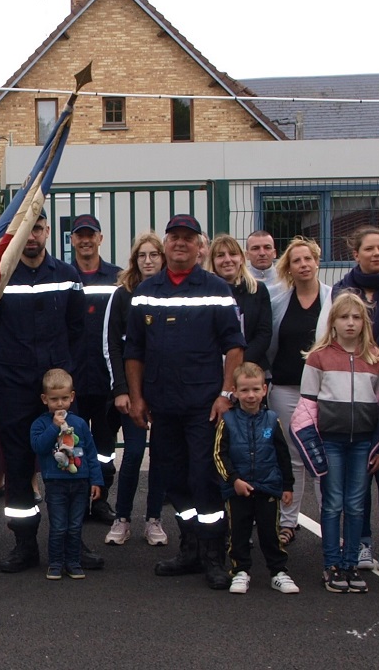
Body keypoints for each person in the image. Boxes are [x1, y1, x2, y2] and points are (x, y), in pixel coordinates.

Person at [125, 215, 244, 590]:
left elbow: (234, 346)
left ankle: (213, 555)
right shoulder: (147, 290)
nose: (180, 244)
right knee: (174, 479)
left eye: (187, 239)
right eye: (174, 238)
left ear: (199, 246)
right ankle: (189, 546)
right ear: (165, 244)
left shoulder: (215, 288)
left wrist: (226, 394)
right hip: (162, 403)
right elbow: (134, 351)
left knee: (204, 478)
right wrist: (138, 397)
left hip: (202, 404)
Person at [0, 211, 87, 574]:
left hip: (57, 388)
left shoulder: (66, 275)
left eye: (39, 229)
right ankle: (24, 544)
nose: (33, 236)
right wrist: (7, 361)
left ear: (46, 233)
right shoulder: (1, 275)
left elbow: (78, 327)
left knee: (70, 463)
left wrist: (63, 370)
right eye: (27, 230)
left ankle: (74, 541)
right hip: (14, 385)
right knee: (17, 464)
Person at [296, 291, 379, 594]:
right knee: (333, 503)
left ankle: (351, 564)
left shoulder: (376, 358)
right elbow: (307, 406)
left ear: (364, 322)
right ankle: (332, 564)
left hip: (362, 443)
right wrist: (312, 449)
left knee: (357, 504)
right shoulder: (319, 357)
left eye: (356, 317)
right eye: (344, 317)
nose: (350, 323)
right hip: (330, 441)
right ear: (332, 322)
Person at [331, 225, 379, 572]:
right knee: (359, 475)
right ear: (356, 253)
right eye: (370, 249)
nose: (377, 254)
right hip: (353, 395)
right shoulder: (341, 291)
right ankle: (361, 541)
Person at [102, 232, 169, 547]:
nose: (148, 260)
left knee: (162, 455)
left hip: (166, 389)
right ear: (134, 260)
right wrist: (121, 389)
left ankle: (153, 519)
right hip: (133, 389)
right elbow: (111, 344)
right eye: (142, 255)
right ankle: (122, 518)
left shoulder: (171, 291)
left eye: (154, 254)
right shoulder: (122, 294)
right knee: (132, 452)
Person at [264, 236, 331, 546]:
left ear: (317, 262)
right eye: (296, 260)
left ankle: (330, 521)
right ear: (288, 268)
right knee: (291, 458)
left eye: (308, 259)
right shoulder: (278, 302)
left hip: (325, 392)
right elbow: (270, 347)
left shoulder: (334, 300)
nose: (303, 264)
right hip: (286, 387)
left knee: (323, 458)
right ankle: (288, 522)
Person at [215, 362, 298, 595]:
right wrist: (233, 481)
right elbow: (219, 454)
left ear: (264, 389)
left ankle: (278, 571)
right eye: (244, 390)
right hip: (238, 489)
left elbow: (283, 454)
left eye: (255, 390)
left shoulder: (272, 419)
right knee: (239, 532)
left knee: (270, 532)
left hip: (268, 487)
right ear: (235, 391)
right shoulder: (228, 421)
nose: (250, 396)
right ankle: (240, 570)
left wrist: (287, 486)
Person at [67, 214, 121, 525]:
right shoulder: (62, 275)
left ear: (100, 238)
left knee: (103, 448)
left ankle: (100, 501)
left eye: (91, 234)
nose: (85, 240)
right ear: (72, 240)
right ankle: (75, 503)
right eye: (79, 235)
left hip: (105, 378)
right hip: (70, 379)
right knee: (71, 445)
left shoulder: (117, 278)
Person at [30, 369, 103, 580]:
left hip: (80, 483)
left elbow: (90, 452)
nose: (60, 404)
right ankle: (55, 563)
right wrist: (54, 428)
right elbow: (38, 446)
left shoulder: (79, 423)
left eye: (64, 398)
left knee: (74, 526)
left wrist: (96, 480)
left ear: (72, 397)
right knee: (59, 526)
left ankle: (73, 562)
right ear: (45, 400)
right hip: (55, 483)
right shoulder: (41, 424)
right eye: (54, 399)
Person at [208, 234, 273, 375]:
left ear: (242, 258)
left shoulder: (258, 290)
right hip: (215, 371)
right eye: (220, 255)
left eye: (232, 254)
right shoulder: (205, 294)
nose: (227, 260)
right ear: (212, 261)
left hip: (252, 371)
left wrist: (240, 362)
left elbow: (264, 334)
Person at [245, 230, 283, 294]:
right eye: (255, 248)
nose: (262, 253)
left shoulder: (287, 280)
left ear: (274, 253)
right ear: (247, 255)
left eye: (267, 248)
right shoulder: (240, 281)